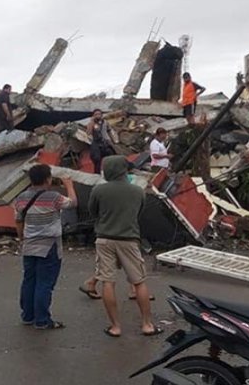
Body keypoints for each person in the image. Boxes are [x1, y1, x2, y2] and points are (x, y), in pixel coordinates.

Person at [90, 156, 160, 337]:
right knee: (139, 281)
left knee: (107, 282)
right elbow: (139, 212)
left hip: (104, 239)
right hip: (129, 239)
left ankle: (115, 327)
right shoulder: (138, 191)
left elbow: (93, 212)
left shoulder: (99, 190)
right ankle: (147, 324)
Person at [13, 165, 77, 330]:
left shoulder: (21, 198)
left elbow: (18, 221)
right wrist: (69, 185)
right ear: (48, 179)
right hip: (49, 246)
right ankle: (42, 320)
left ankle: (27, 316)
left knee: (29, 281)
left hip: (29, 245)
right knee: (44, 283)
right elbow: (72, 203)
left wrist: (22, 239)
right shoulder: (53, 197)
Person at [87, 109, 116, 175]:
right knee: (97, 159)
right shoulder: (92, 123)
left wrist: (112, 141)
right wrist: (92, 122)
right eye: (96, 114)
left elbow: (110, 131)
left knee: (111, 155)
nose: (98, 116)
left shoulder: (105, 122)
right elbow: (88, 132)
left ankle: (111, 173)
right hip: (96, 142)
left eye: (99, 114)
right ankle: (97, 174)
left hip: (105, 142)